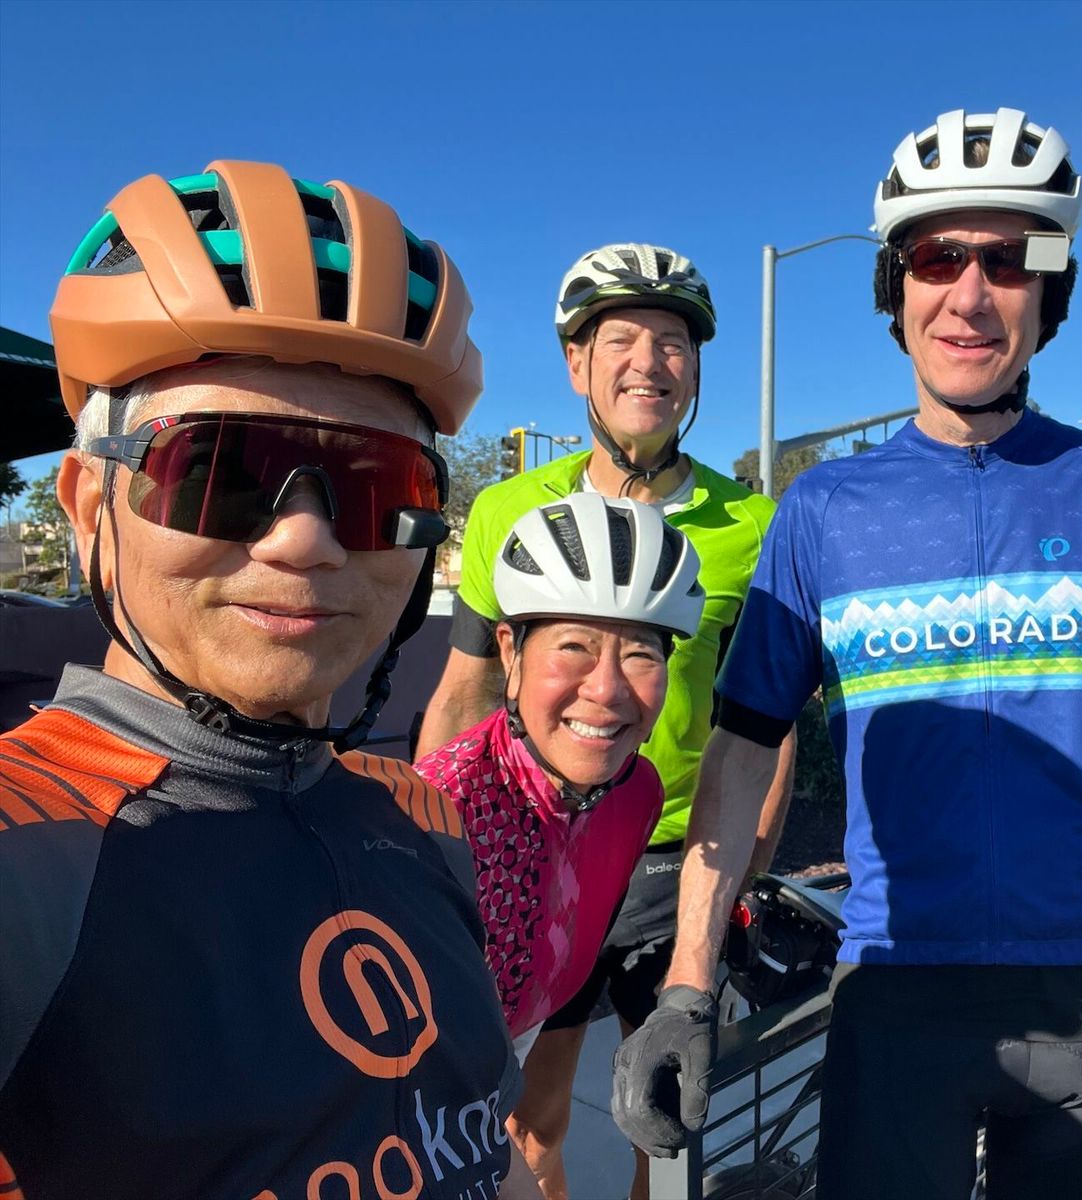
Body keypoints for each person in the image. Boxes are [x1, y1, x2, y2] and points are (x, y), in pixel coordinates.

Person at [612, 108, 1082, 1200]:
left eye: (1010, 260)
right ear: (894, 289)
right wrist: (687, 986)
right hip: (899, 994)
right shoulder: (820, 513)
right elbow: (743, 753)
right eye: (939, 258)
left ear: (1051, 292)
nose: (972, 293)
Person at [0, 161, 536, 1198]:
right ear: (88, 506)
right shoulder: (28, 851)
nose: (305, 540)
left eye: (374, 487)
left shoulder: (420, 814)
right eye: (216, 473)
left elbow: (482, 1135)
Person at [417, 244, 794, 1199]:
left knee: (662, 1120)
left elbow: (769, 716)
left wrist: (750, 859)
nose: (648, 362)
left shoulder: (751, 524)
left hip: (677, 853)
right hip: (536, 850)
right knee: (531, 1113)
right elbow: (465, 689)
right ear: (577, 364)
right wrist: (427, 846)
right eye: (621, 339)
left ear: (695, 370)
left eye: (673, 343)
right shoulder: (508, 509)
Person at [416, 494, 703, 1050]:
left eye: (641, 655)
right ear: (510, 653)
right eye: (574, 646)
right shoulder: (442, 813)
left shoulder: (638, 789)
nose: (607, 689)